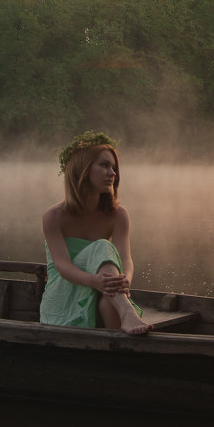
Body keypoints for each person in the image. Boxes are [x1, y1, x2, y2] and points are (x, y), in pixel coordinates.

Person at [40, 131, 153, 335]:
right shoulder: (54, 216)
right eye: (104, 165)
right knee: (103, 246)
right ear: (82, 170)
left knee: (108, 304)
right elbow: (63, 267)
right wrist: (95, 281)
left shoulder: (118, 215)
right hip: (65, 294)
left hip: (104, 291)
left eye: (114, 167)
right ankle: (127, 311)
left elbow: (126, 259)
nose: (112, 173)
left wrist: (125, 278)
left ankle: (120, 347)